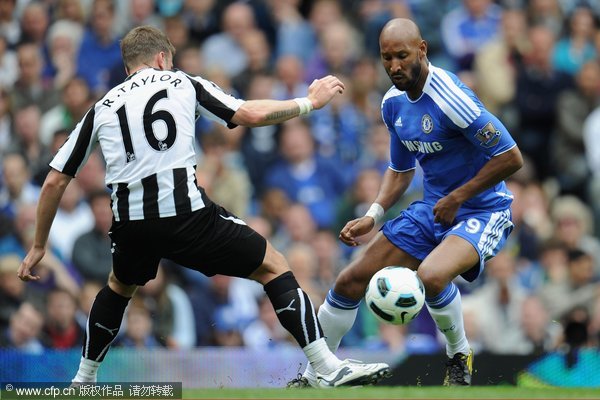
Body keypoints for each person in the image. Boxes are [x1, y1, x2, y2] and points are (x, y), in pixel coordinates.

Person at [16, 25, 389, 388]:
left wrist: (38, 245)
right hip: (186, 215)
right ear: (163, 58)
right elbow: (249, 114)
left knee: (119, 287)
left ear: (129, 65)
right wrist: (310, 102)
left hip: (131, 224)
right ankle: (326, 367)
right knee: (273, 266)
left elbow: (54, 181)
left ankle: (83, 380)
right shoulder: (182, 82)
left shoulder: (103, 106)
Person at [289, 18, 523, 388]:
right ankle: (315, 375)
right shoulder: (393, 103)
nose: (394, 66)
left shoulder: (453, 98)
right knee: (350, 280)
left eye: (402, 56)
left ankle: (459, 356)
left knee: (431, 275)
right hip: (433, 209)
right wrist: (373, 214)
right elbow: (400, 170)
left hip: (482, 210)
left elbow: (511, 156)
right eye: (387, 58)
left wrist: (458, 196)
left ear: (422, 49)